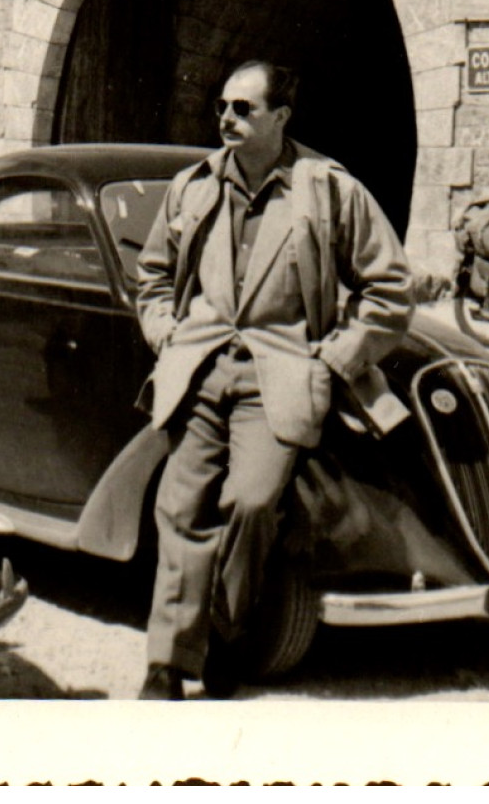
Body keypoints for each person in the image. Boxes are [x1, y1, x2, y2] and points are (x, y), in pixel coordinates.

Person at [134, 60, 414, 700]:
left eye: (244, 109)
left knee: (252, 504)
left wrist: (335, 359)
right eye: (222, 108)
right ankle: (168, 664)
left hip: (282, 375)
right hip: (200, 368)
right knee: (178, 506)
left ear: (282, 117)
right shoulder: (192, 187)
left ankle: (226, 641)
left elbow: (390, 289)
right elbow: (151, 276)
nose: (226, 120)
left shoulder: (328, 190)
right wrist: (164, 331)